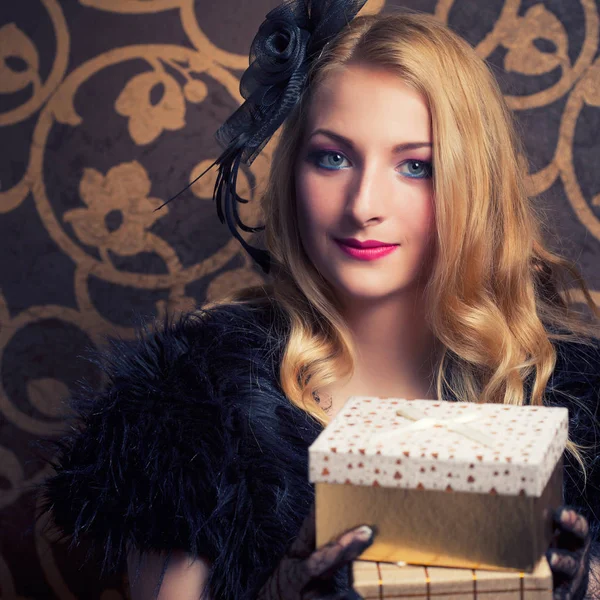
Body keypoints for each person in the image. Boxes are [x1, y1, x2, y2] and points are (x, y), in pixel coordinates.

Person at [37, 2, 600, 599]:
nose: (363, 205)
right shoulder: (198, 403)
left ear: (473, 183)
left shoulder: (571, 397)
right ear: (292, 172)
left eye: (416, 166)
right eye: (332, 157)